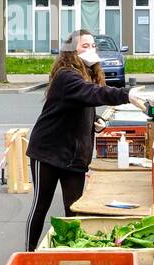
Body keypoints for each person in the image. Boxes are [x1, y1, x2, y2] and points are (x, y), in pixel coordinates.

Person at [25, 30, 140, 250]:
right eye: (84, 46)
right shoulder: (66, 75)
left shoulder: (85, 75)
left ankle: (69, 253)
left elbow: (80, 105)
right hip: (47, 153)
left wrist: (95, 120)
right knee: (41, 206)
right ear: (71, 51)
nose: (91, 49)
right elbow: (93, 93)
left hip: (74, 157)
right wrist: (127, 95)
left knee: (74, 209)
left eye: (93, 45)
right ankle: (28, 252)